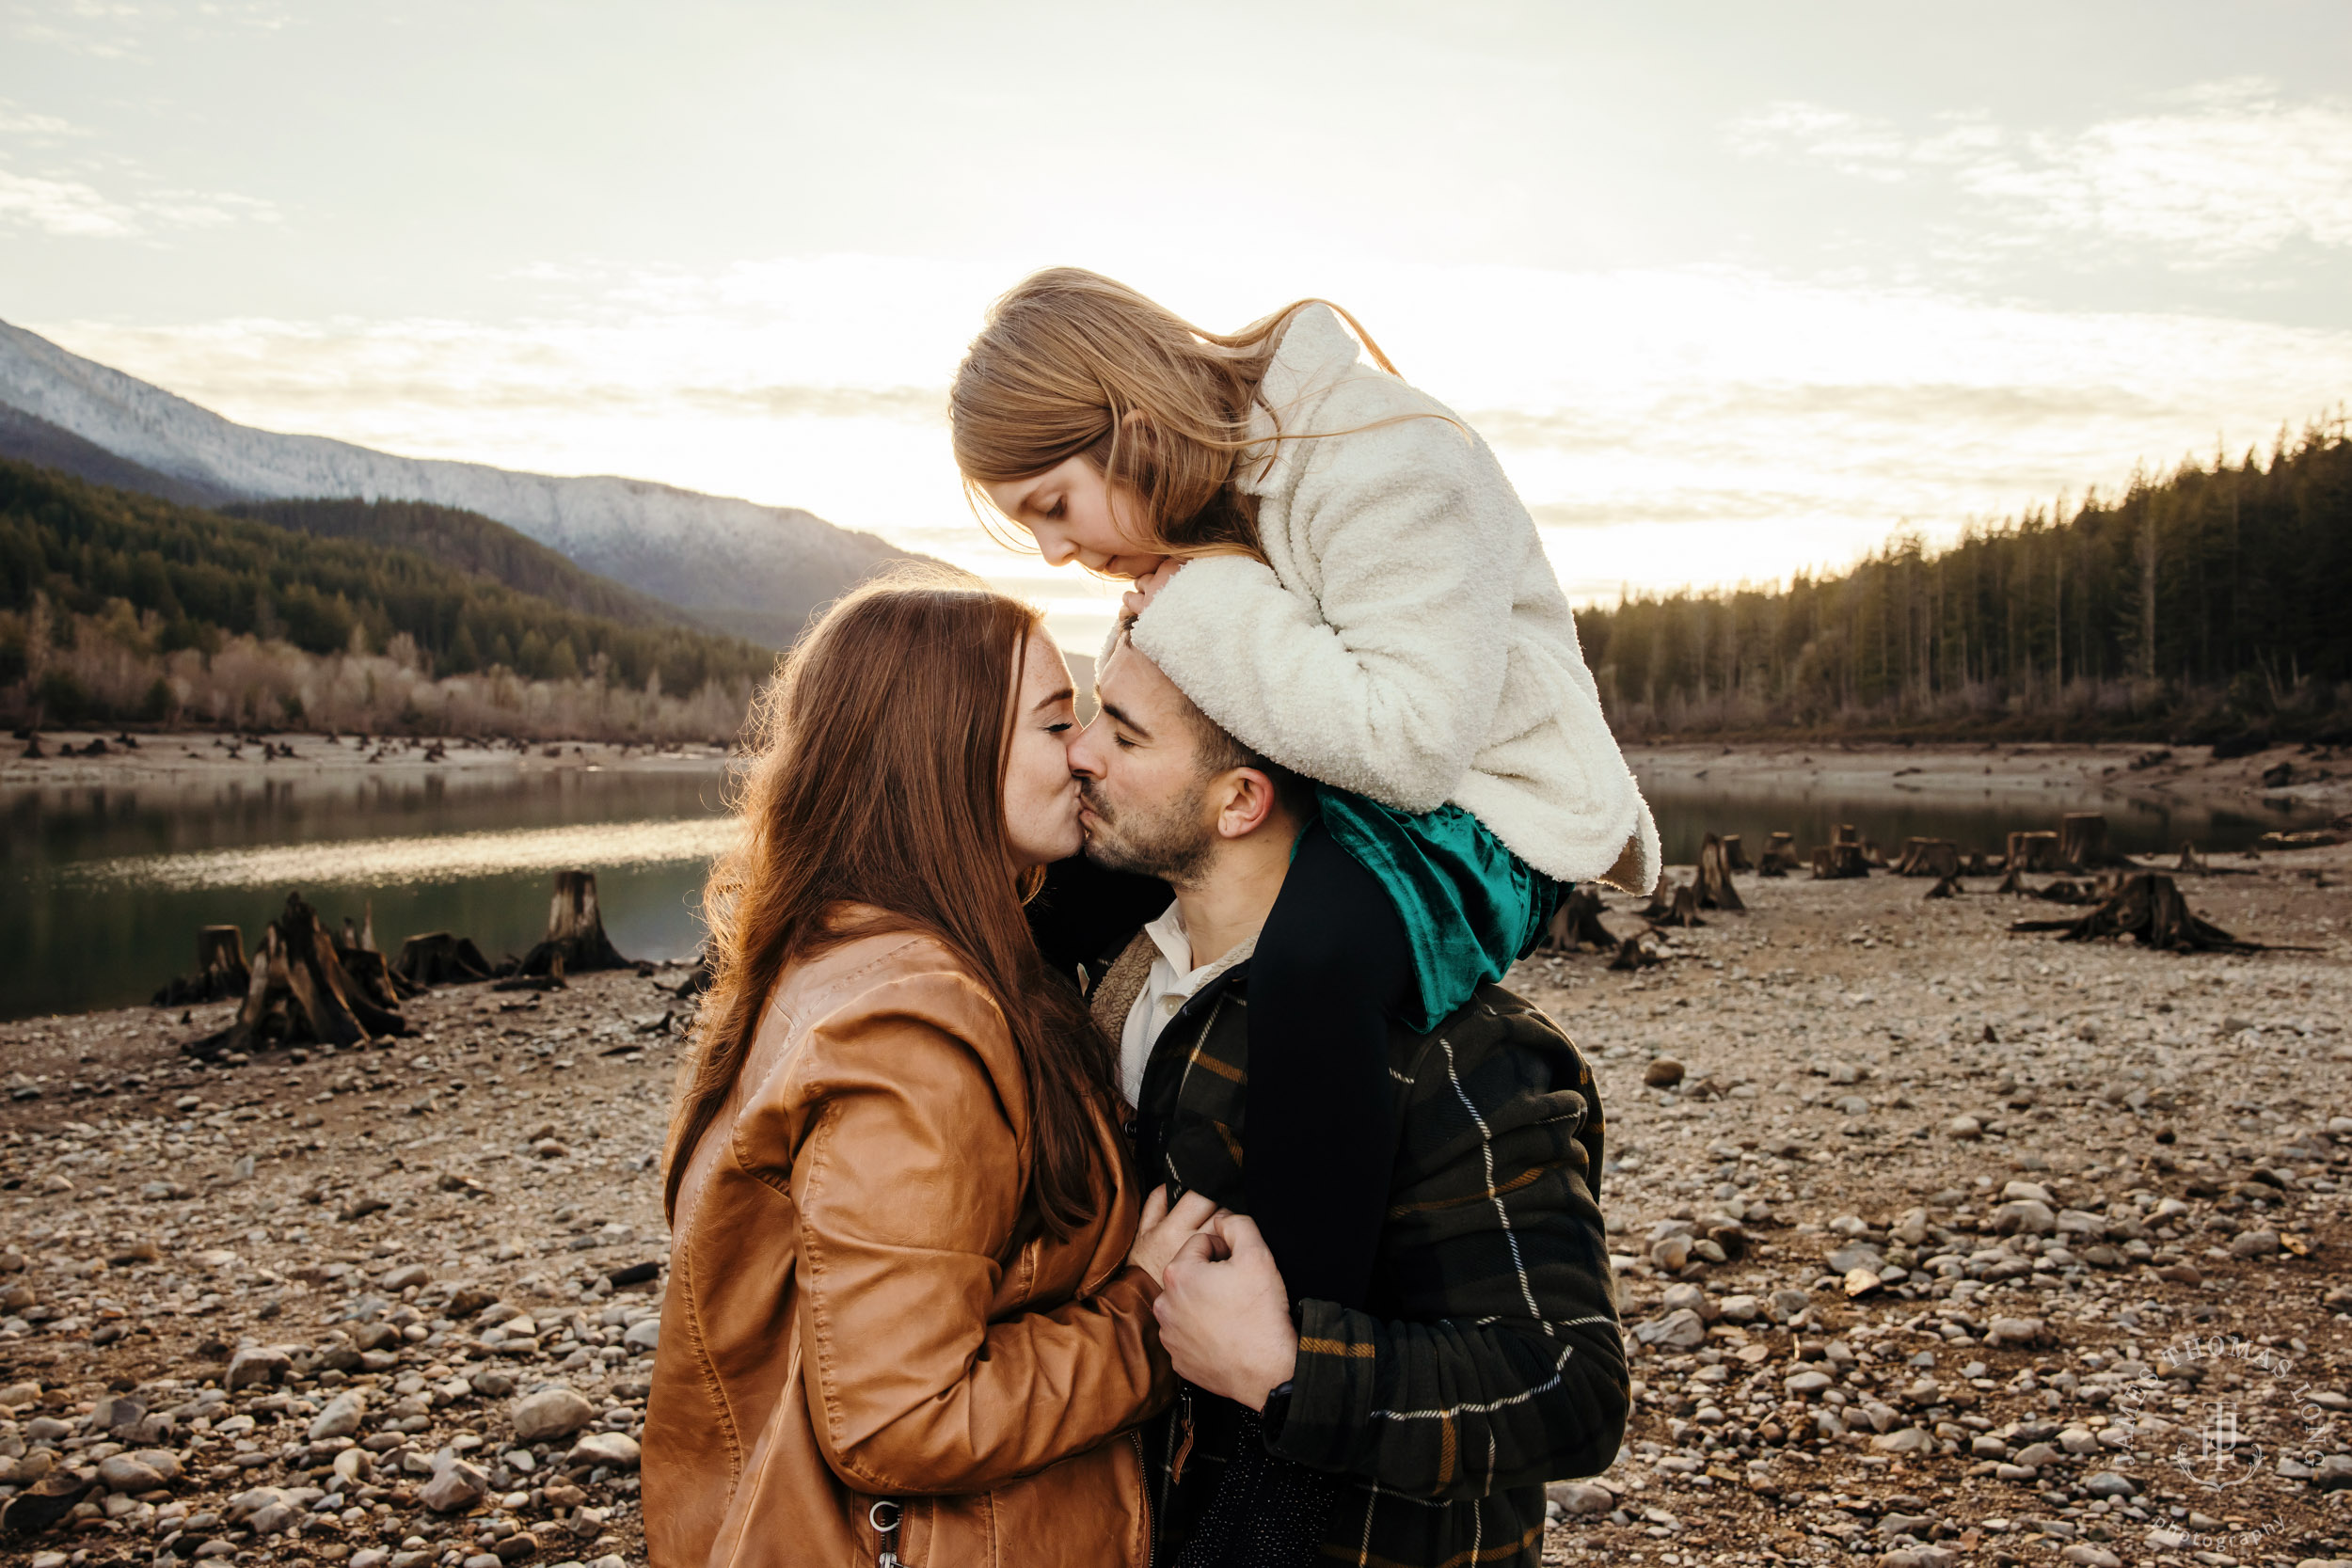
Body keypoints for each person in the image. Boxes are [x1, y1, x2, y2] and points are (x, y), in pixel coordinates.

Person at [954, 268, 1661, 1338]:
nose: (1057, 551)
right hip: (1330, 777)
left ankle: (1290, 1336)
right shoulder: (1197, 503)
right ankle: (1040, 1223)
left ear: (1131, 425)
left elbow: (1414, 745)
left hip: (1485, 802)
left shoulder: (1392, 460)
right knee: (1057, 910)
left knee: (1315, 960)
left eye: (1053, 505)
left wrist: (1193, 598)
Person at [642, 572, 1216, 1568]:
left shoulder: (834, 953)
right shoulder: (917, 1026)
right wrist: (1144, 1313)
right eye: (1053, 724)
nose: (1083, 752)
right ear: (938, 753)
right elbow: (901, 1415)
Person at [1066, 628, 1629, 1567]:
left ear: (1238, 801)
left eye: (1123, 737)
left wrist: (1285, 1368)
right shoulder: (1105, 982)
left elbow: (1568, 1387)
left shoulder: (1449, 1046)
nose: (1080, 750)